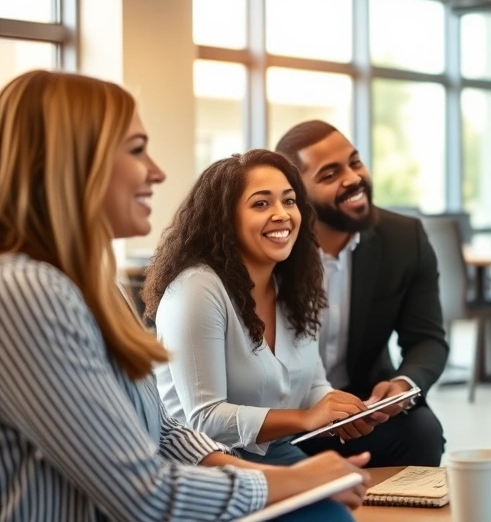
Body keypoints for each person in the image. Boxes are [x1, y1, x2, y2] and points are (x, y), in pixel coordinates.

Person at [0, 70, 368, 521]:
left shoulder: (98, 290)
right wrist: (292, 481)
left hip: (235, 460)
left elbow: (166, 430)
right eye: (137, 150)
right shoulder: (25, 291)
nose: (157, 171)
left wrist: (291, 477)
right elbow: (143, 493)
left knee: (324, 509)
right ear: (70, 162)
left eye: (289, 200)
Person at [142, 150, 385, 466]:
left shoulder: (297, 286)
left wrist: (340, 412)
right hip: (203, 462)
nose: (282, 214)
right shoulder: (196, 289)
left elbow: (313, 384)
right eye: (261, 203)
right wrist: (306, 418)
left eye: (289, 201)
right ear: (225, 218)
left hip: (274, 449)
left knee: (349, 499)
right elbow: (204, 418)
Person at [275, 120, 449, 467]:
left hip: (364, 405)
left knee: (422, 432)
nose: (353, 178)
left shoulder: (404, 239)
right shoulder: (274, 246)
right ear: (297, 195)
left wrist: (402, 385)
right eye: (329, 174)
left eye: (354, 162)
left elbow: (427, 339)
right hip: (288, 413)